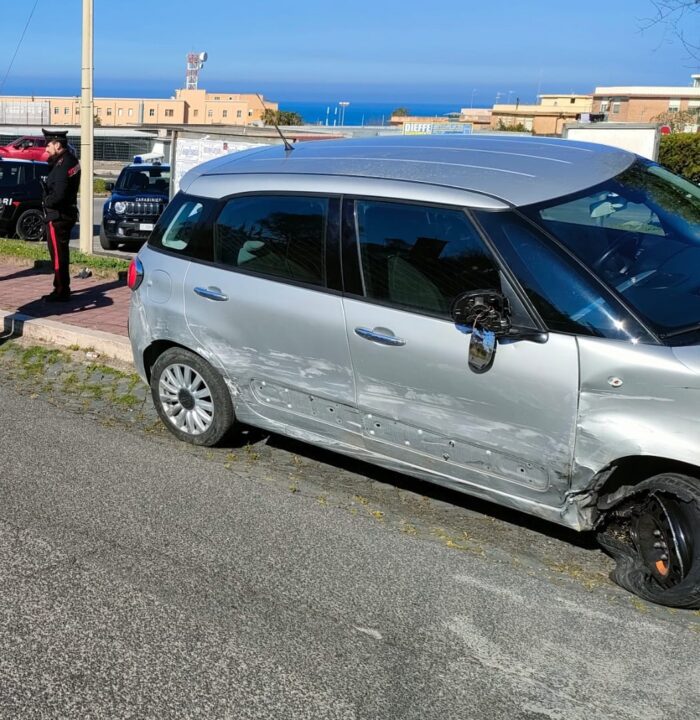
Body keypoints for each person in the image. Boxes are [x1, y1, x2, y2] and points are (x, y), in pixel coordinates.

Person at [41, 128, 80, 302]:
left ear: (57, 144)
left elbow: (60, 193)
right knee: (60, 253)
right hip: (64, 213)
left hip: (58, 216)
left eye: (48, 145)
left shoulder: (64, 163)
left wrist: (46, 201)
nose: (45, 149)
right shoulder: (67, 160)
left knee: (58, 255)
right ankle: (61, 286)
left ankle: (61, 290)